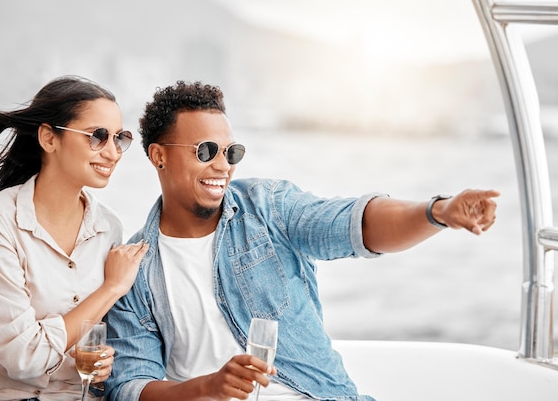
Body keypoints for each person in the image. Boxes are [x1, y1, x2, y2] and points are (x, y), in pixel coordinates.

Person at [103, 81, 499, 401]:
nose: (222, 165)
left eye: (231, 151)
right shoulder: (132, 269)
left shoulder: (267, 207)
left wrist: (437, 212)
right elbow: (130, 387)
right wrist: (206, 387)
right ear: (158, 156)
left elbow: (352, 224)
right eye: (205, 151)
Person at [0, 75, 149, 400]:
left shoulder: (109, 228)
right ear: (48, 138)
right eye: (98, 136)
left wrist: (100, 367)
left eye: (120, 138)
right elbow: (23, 357)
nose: (113, 152)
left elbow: (90, 339)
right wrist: (111, 288)